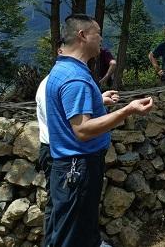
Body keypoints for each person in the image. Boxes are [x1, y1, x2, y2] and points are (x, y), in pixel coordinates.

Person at [46, 14, 154, 246]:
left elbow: (70, 112)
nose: (102, 39)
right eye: (98, 33)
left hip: (70, 166)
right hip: (79, 167)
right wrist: (128, 110)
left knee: (77, 234)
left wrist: (97, 100)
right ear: (82, 35)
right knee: (72, 238)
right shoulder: (75, 78)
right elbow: (83, 130)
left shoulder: (64, 69)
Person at [36, 43, 119, 247]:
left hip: (61, 152)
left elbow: (68, 108)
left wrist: (98, 100)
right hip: (65, 154)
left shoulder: (57, 78)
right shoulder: (71, 79)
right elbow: (76, 125)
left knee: (64, 209)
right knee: (63, 211)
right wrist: (127, 111)